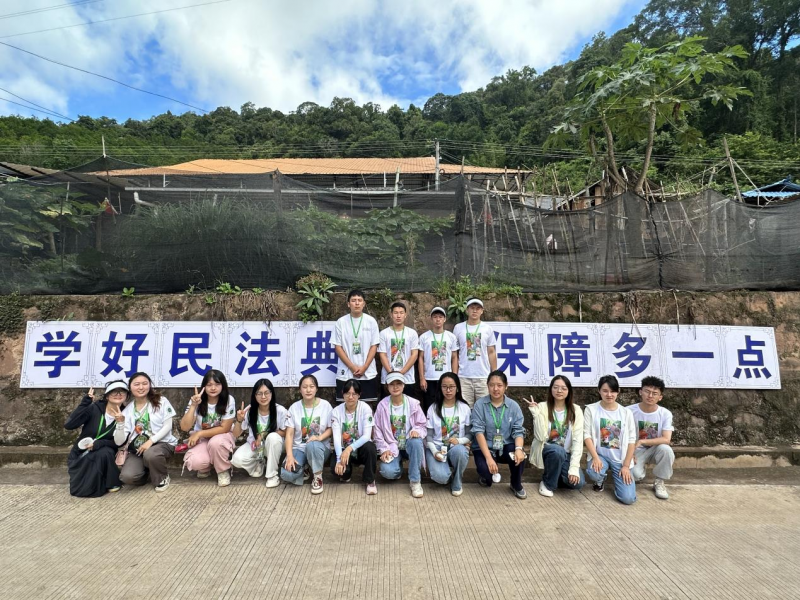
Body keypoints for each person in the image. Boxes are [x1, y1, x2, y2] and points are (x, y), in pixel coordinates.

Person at [64, 381, 128, 498]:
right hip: (82, 452)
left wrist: (99, 443)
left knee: (105, 452)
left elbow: (119, 443)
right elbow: (69, 425)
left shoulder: (127, 414)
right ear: (107, 396)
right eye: (114, 391)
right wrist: (85, 404)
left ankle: (111, 481)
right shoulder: (94, 408)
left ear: (126, 396)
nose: (118, 394)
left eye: (122, 392)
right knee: (80, 489)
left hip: (104, 452)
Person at [525, 375, 585, 498]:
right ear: (551, 389)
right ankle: (547, 484)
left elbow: (578, 441)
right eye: (556, 387)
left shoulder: (576, 410)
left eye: (563, 388)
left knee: (578, 483)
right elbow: (540, 437)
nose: (559, 391)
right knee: (557, 450)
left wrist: (574, 468)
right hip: (546, 451)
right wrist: (536, 414)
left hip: (566, 454)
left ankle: (554, 475)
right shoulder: (542, 407)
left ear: (569, 391)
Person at [471, 370, 527, 499]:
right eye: (492, 385)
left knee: (519, 455)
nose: (495, 389)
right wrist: (488, 458)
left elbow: (518, 430)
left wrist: (519, 449)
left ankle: (516, 484)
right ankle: (485, 477)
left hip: (506, 445)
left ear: (506, 386)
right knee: (487, 477)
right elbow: (478, 432)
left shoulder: (513, 406)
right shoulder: (480, 405)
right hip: (485, 447)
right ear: (487, 386)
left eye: (499, 385)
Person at [119, 372, 178, 493]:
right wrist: (119, 425)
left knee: (151, 454)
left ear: (150, 385)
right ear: (130, 387)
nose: (141, 387)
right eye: (137, 384)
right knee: (127, 477)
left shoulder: (161, 401)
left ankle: (161, 477)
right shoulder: (128, 410)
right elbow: (121, 438)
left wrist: (151, 441)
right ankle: (147, 473)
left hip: (162, 443)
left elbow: (168, 426)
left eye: (145, 383)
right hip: (139, 447)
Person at [583, 375, 637, 505]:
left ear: (618, 391)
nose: (609, 394)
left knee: (628, 499)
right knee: (594, 473)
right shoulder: (591, 409)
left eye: (613, 391)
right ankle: (599, 480)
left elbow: (631, 440)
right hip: (600, 455)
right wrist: (595, 457)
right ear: (599, 391)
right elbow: (587, 435)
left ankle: (617, 478)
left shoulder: (626, 413)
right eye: (605, 391)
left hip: (619, 459)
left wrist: (626, 466)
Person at [179, 369, 236, 487]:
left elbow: (225, 428)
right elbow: (184, 427)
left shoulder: (229, 400)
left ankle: (222, 470)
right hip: (204, 439)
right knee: (194, 461)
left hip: (222, 437)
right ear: (204, 386)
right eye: (209, 385)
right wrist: (194, 405)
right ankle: (206, 467)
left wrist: (199, 433)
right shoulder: (197, 400)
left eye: (217, 384)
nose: (213, 388)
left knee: (216, 442)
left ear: (223, 385)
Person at [374, 371, 427, 498]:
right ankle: (398, 468)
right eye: (392, 384)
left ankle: (415, 481)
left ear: (404, 385)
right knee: (387, 472)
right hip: (392, 447)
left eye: (398, 383)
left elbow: (422, 424)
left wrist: (416, 430)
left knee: (416, 441)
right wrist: (384, 448)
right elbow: (377, 429)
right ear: (387, 386)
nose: (395, 387)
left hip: (409, 444)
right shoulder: (382, 405)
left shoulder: (413, 404)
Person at [231, 379, 287, 489]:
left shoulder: (280, 410)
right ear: (255, 395)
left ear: (272, 393)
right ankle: (260, 462)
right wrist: (239, 420)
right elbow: (236, 434)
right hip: (256, 446)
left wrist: (263, 435)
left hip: (274, 446)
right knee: (237, 460)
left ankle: (272, 475)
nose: (263, 397)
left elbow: (286, 431)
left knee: (273, 437)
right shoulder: (249, 410)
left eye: (266, 393)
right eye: (259, 393)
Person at [281, 374, 333, 494]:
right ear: (300, 390)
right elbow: (289, 434)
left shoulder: (325, 406)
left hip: (319, 448)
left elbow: (331, 428)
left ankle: (317, 477)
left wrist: (319, 437)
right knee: (286, 474)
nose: (308, 390)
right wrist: (289, 455)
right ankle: (305, 468)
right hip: (299, 448)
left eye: (311, 386)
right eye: (304, 387)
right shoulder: (294, 408)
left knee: (312, 445)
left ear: (316, 389)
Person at [425, 372, 472, 496]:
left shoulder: (464, 408)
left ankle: (457, 481)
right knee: (441, 478)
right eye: (444, 387)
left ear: (457, 388)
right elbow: (428, 435)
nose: (448, 390)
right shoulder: (433, 408)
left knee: (461, 452)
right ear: (440, 388)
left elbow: (469, 434)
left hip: (456, 446)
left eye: (451, 387)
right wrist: (434, 452)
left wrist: (460, 441)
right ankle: (446, 473)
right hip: (437, 447)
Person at [331, 379, 378, 495]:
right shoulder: (336, 411)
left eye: (354, 394)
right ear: (342, 394)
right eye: (347, 393)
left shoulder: (365, 408)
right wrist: (339, 459)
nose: (350, 397)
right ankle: (347, 473)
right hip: (344, 448)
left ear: (359, 395)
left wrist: (350, 448)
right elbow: (336, 437)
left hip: (360, 448)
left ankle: (370, 480)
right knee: (337, 470)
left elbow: (367, 436)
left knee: (370, 448)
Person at [630, 376, 674, 500]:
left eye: (654, 393)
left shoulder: (665, 414)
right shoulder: (629, 411)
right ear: (640, 392)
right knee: (635, 475)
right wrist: (630, 453)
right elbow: (624, 436)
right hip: (636, 450)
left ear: (660, 397)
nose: (650, 396)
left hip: (655, 449)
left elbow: (666, 439)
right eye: (647, 391)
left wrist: (642, 441)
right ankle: (640, 468)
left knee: (666, 450)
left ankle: (659, 481)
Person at [333, 289, 381, 403]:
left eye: (360, 300)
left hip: (367, 373)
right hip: (346, 373)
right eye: (353, 300)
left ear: (364, 303)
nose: (357, 303)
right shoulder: (341, 322)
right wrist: (352, 367)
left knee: (367, 406)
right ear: (348, 304)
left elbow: (374, 346)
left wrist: (364, 367)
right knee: (346, 406)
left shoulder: (371, 321)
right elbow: (338, 347)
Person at [453, 298, 497, 406]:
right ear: (467, 310)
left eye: (478, 308)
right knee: (464, 408)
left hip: (483, 376)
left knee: (484, 408)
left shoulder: (487, 328)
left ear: (482, 311)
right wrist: (455, 375)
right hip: (463, 377)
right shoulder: (458, 328)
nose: (475, 310)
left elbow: (491, 352)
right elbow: (455, 354)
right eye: (472, 308)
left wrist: (494, 373)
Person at [417, 306, 458, 412]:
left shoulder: (451, 337)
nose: (438, 319)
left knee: (446, 406)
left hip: (446, 379)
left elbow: (454, 358)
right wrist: (422, 378)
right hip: (429, 379)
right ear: (431, 319)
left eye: (440, 317)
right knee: (429, 408)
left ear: (444, 319)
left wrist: (454, 377)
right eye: (435, 317)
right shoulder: (424, 337)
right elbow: (420, 358)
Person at [378, 301, 420, 396]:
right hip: (388, 378)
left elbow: (414, 355)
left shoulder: (412, 333)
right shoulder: (384, 333)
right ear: (391, 314)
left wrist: (401, 372)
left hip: (407, 378)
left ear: (405, 315)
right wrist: (391, 373)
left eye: (401, 313)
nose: (398, 316)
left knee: (407, 403)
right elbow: (382, 355)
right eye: (396, 313)